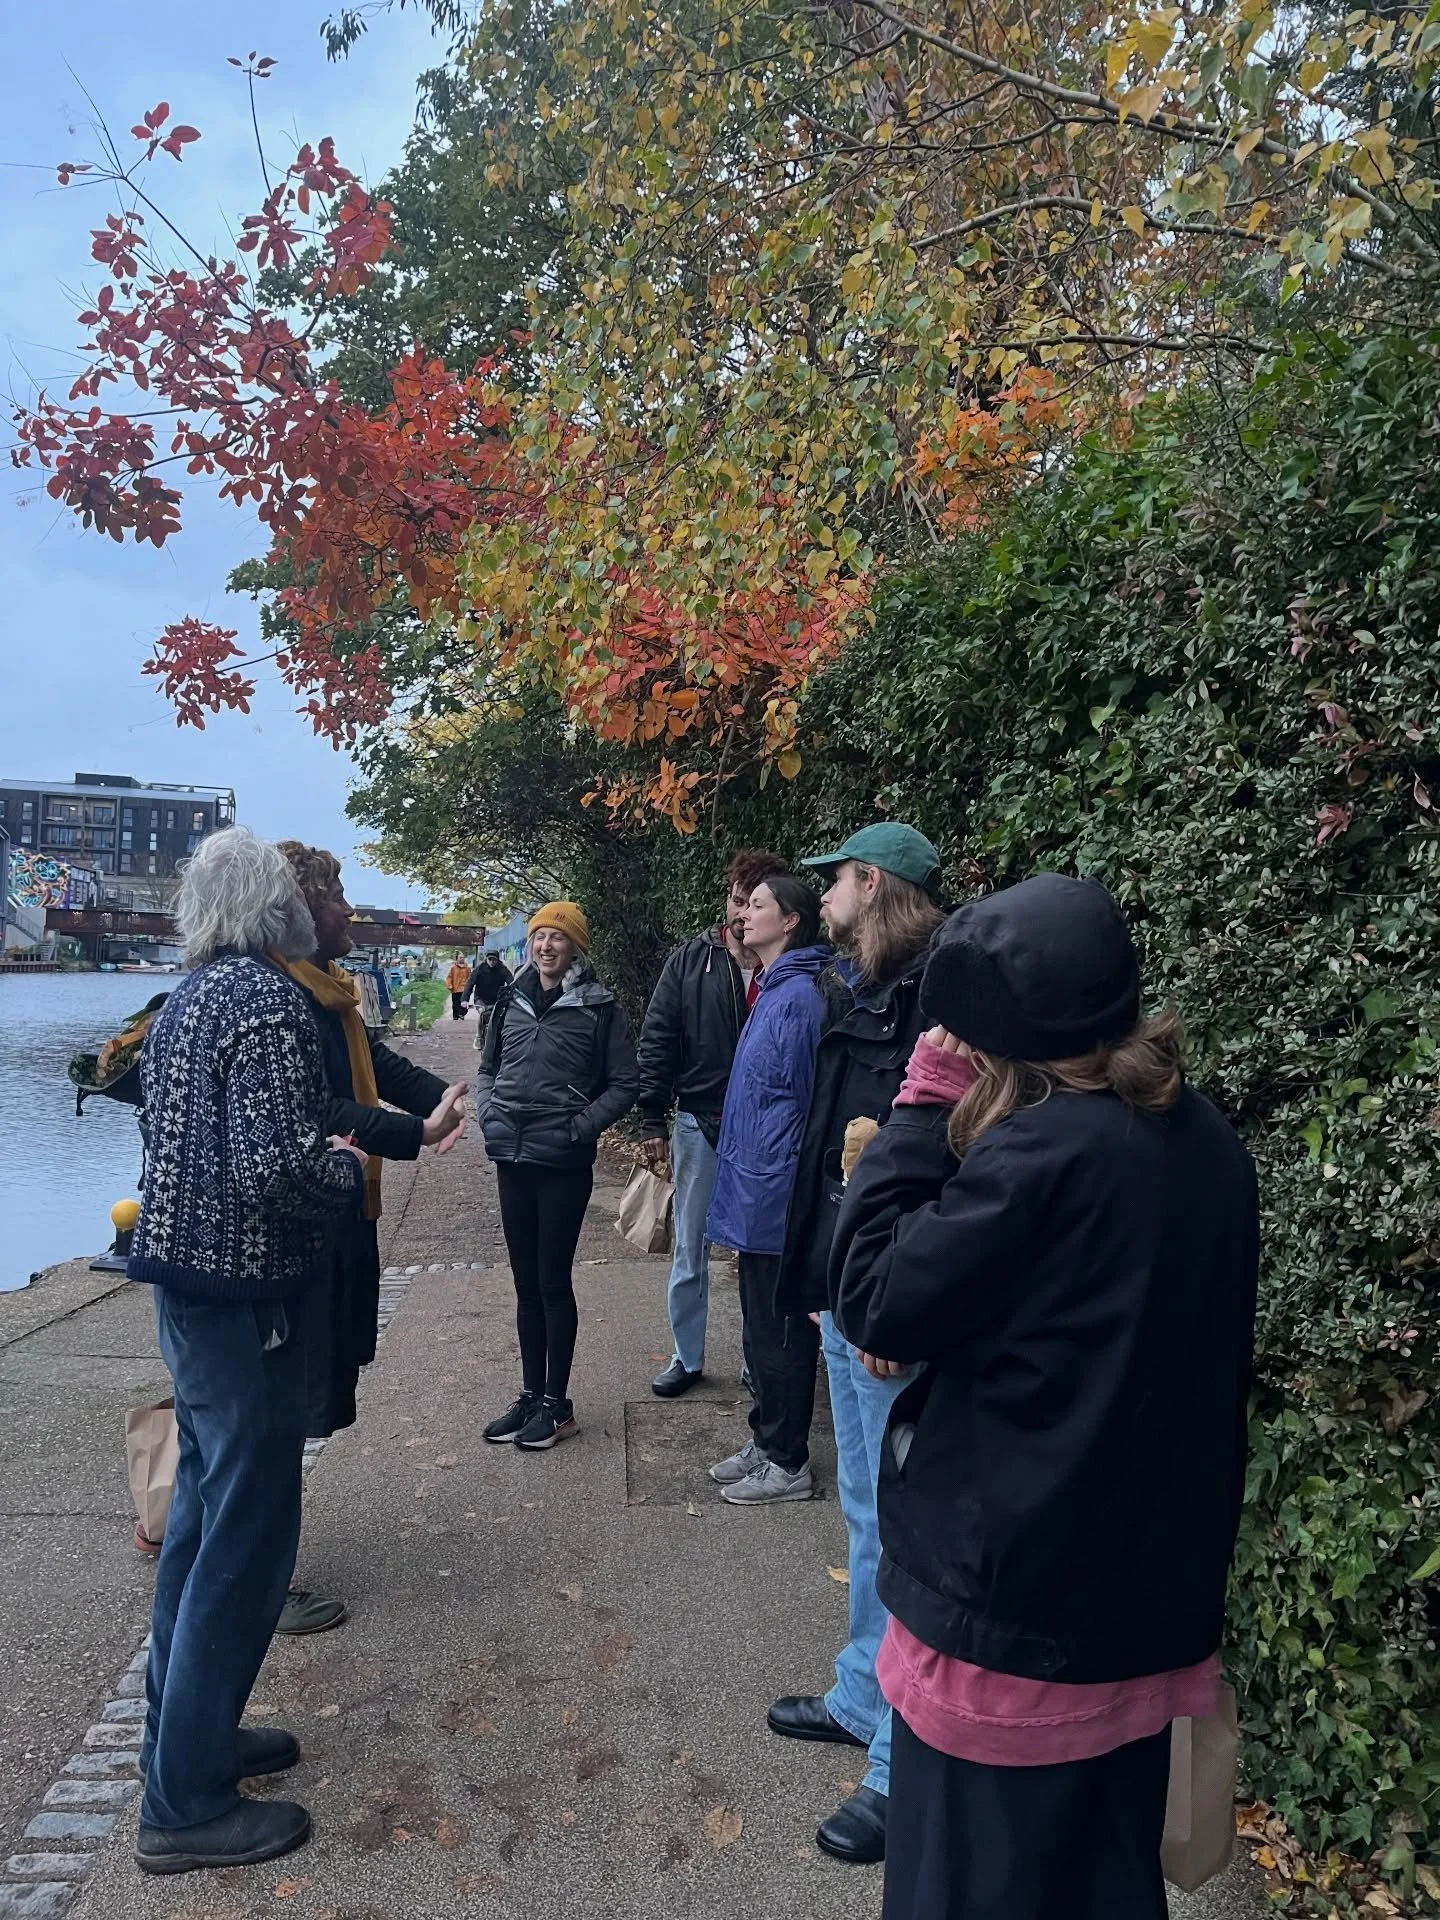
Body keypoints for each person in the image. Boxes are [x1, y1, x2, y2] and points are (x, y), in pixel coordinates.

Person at [832, 874, 1259, 1920]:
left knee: (966, 1887)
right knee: (1101, 1883)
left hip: (1013, 1610)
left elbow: (874, 1300)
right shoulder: (1207, 1145)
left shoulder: (1039, 1154)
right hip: (1143, 1603)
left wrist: (923, 1108)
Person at [126, 827, 368, 1875]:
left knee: (199, 1532)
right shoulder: (268, 1000)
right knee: (242, 1543)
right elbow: (275, 1169)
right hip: (245, 1301)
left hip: (184, 1291)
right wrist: (347, 1177)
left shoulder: (187, 999)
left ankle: (189, 1743)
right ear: (277, 907)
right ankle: (183, 1805)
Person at [765, 824, 945, 1865]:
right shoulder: (863, 987)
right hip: (846, 1290)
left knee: (904, 1528)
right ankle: (861, 1696)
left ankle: (898, 1763)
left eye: (836, 878)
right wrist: (820, 1284)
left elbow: (940, 1166)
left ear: (872, 885)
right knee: (867, 1507)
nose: (824, 891)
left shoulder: (936, 1000)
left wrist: (892, 1302)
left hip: (884, 1308)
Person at [273, 842, 468, 1634]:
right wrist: (415, 1134)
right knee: (282, 1407)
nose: (350, 908)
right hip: (305, 1234)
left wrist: (446, 1098)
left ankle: (243, 1552)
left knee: (303, 1394)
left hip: (338, 1221)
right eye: (337, 896)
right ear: (296, 911)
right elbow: (318, 1111)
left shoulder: (328, 993)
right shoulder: (285, 999)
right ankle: (265, 1581)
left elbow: (376, 1064)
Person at [477, 902, 639, 1449]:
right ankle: (529, 1397)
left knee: (551, 1281)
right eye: (539, 936)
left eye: (558, 938)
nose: (547, 945)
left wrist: (581, 1127)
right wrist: (487, 1112)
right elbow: (489, 1068)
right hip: (512, 1155)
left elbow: (624, 1083)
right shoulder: (509, 997)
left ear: (576, 947)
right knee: (524, 1284)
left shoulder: (599, 1007)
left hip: (562, 1162)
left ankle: (557, 1404)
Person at [634, 847, 787, 1396]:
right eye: (736, 901)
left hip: (767, 1129)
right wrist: (652, 1118)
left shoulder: (790, 963)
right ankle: (686, 1356)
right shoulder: (691, 960)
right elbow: (658, 1037)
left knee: (760, 1250)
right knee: (690, 1244)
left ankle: (759, 1358)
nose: (741, 915)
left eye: (753, 904)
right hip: (700, 1119)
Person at [705, 875, 830, 1505]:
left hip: (778, 1193)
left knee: (782, 1332)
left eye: (757, 906)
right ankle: (766, 1437)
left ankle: (788, 1460)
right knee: (758, 1326)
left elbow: (811, 1103)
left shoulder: (801, 998)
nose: (743, 914)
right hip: (754, 1187)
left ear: (792, 922)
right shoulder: (773, 989)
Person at [466, 947, 513, 1052]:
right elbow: (470, 983)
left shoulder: (502, 970)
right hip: (481, 999)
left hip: (496, 1000)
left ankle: (501, 1038)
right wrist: (464, 999)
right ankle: (478, 1037)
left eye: (494, 959)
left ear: (498, 960)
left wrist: (515, 994)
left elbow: (512, 982)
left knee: (501, 1016)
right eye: (490, 959)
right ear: (486, 959)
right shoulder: (480, 969)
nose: (492, 962)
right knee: (482, 1013)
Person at [446, 955, 472, 1020]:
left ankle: (462, 1014)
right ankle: (455, 1016)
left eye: (463, 957)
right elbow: (449, 977)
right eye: (460, 958)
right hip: (455, 989)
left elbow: (470, 978)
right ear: (457, 959)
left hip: (464, 989)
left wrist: (470, 987)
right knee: (455, 1003)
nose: (462, 959)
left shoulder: (467, 968)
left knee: (464, 1003)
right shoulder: (453, 968)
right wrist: (449, 985)